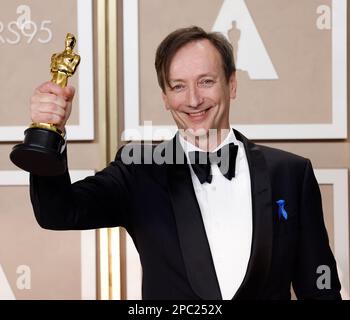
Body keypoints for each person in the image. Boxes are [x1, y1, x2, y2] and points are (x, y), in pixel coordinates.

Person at [29, 26, 341, 300]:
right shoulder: (139, 170)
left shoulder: (290, 173)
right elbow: (58, 211)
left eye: (206, 81)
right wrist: (48, 133)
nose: (193, 100)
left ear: (232, 84)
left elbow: (320, 288)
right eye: (178, 86)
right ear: (165, 96)